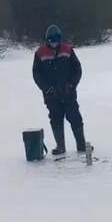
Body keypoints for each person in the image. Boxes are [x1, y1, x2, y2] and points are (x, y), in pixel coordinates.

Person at [32, 24, 85, 154]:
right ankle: (60, 146)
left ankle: (82, 144)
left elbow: (77, 69)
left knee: (75, 118)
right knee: (56, 119)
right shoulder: (40, 53)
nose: (55, 41)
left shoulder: (67, 49)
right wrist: (47, 89)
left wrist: (72, 85)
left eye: (58, 38)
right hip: (52, 95)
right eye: (53, 38)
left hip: (69, 93)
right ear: (48, 39)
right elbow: (37, 74)